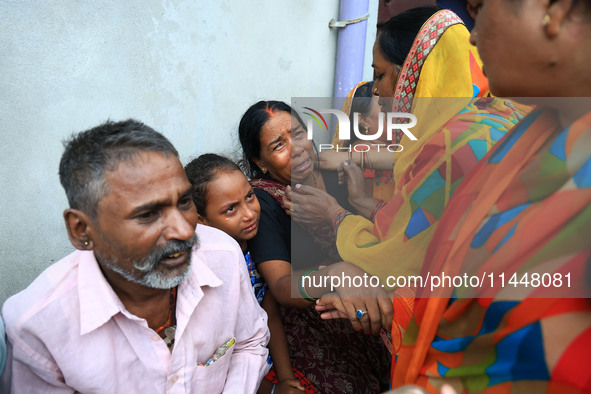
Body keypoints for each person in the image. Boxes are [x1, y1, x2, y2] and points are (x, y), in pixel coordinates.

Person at [387, 0, 591, 391]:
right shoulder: (531, 140)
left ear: (557, 10)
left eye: (479, 10)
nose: (474, 37)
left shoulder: (468, 136)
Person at [289, 7, 528, 337]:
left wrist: (335, 216)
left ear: (411, 77)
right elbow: (429, 225)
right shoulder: (490, 117)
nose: (375, 91)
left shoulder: (451, 147)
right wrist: (363, 203)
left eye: (379, 75)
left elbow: (398, 262)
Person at [0, 119, 270, 393]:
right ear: (81, 229)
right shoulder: (36, 327)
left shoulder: (222, 254)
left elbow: (249, 344)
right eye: (148, 214)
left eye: (184, 202)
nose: (183, 230)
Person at [238, 101, 392, 394]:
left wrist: (357, 197)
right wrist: (336, 273)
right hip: (315, 319)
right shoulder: (265, 201)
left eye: (298, 134)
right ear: (260, 161)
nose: (296, 148)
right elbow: (282, 286)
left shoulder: (336, 170)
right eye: (278, 145)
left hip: (365, 298)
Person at [184, 153, 307, 394]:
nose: (249, 213)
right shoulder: (207, 270)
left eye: (249, 196)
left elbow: (268, 314)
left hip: (260, 357)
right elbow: (222, 352)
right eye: (231, 209)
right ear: (202, 220)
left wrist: (287, 379)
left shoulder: (256, 248)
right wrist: (271, 390)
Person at [319, 81, 398, 201]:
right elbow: (368, 209)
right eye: (384, 106)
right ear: (363, 120)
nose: (395, 111)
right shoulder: (361, 151)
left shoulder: (393, 147)